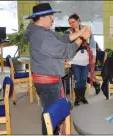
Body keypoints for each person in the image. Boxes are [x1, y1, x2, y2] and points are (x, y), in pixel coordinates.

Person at [24, 3, 91, 135]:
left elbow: (64, 38)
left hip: (47, 80)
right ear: (42, 18)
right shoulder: (41, 36)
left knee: (50, 112)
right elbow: (67, 51)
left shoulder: (42, 31)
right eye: (50, 16)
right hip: (48, 83)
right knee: (50, 116)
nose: (52, 19)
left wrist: (81, 32)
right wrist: (82, 38)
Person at [65, 13, 96, 106]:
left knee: (83, 79)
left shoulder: (87, 30)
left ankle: (82, 96)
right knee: (77, 79)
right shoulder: (68, 33)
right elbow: (67, 47)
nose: (72, 24)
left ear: (78, 20)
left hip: (86, 60)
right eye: (70, 23)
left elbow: (93, 45)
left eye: (73, 22)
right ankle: (77, 97)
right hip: (74, 60)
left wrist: (94, 57)